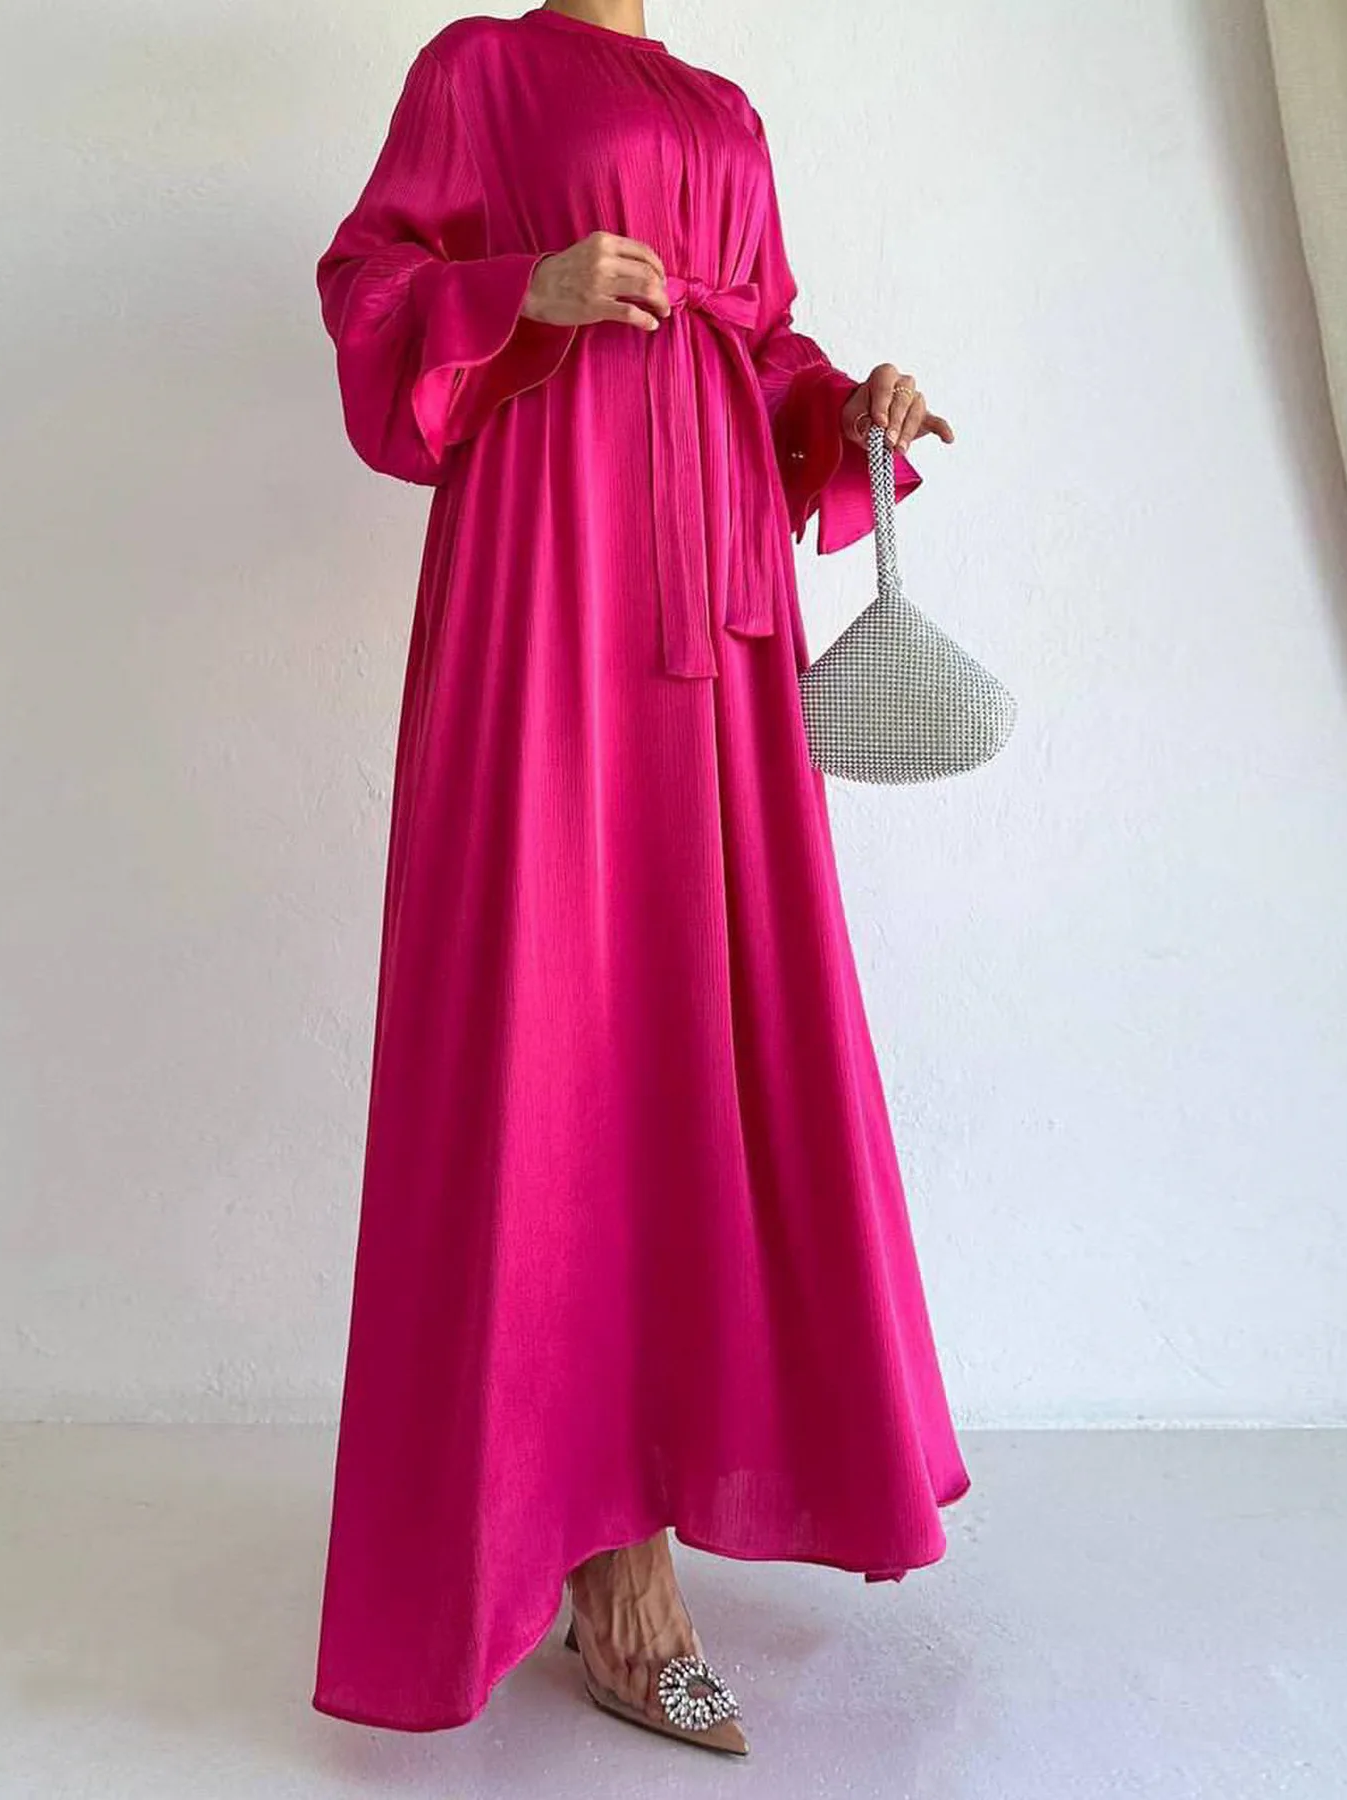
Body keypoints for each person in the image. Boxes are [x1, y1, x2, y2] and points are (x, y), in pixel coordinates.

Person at [310, 0, 970, 1755]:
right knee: (551, 1017)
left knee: (705, 1023)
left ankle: (657, 1498)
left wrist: (847, 405)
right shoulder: (479, 70)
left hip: (720, 607)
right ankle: (595, 1556)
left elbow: (757, 347)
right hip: (548, 577)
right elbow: (369, 286)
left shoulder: (727, 112)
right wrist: (515, 290)